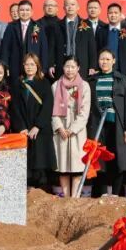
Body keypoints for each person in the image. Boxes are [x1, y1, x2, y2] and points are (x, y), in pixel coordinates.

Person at [87, 49, 126, 198]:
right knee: (100, 160)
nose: (104, 62)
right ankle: (102, 194)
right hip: (98, 126)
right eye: (102, 59)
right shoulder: (92, 80)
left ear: (113, 61)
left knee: (117, 159)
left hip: (116, 126)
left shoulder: (122, 79)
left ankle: (115, 194)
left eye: (108, 59)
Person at [10, 53, 56, 189]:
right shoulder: (17, 84)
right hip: (24, 129)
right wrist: (21, 127)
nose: (29, 67)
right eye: (27, 64)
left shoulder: (44, 83)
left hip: (40, 130)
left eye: (32, 64)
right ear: (23, 66)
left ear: (37, 66)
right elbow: (14, 108)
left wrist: (37, 126)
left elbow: (48, 106)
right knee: (26, 165)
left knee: (41, 164)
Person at [51, 57, 91, 197]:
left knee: (77, 167)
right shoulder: (55, 85)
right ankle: (66, 198)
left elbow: (85, 112)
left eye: (73, 67)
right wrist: (59, 127)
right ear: (63, 67)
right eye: (67, 66)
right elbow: (51, 110)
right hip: (61, 130)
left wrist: (73, 129)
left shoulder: (84, 86)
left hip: (77, 132)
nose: (70, 70)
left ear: (78, 68)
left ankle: (74, 198)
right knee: (62, 167)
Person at [0, 0, 51, 88]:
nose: (24, 12)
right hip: (14, 67)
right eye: (22, 10)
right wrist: (5, 66)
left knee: (32, 91)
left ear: (32, 12)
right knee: (15, 90)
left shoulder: (37, 27)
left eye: (27, 10)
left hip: (33, 67)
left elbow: (44, 49)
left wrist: (43, 69)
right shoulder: (11, 26)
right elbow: (5, 48)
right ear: (18, 11)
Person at [58, 0, 98, 78]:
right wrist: (51, 64)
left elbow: (92, 46)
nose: (70, 7)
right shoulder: (57, 25)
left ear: (78, 7)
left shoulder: (86, 24)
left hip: (82, 65)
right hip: (62, 64)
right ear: (63, 8)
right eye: (67, 5)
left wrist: (92, 66)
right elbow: (52, 47)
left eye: (73, 4)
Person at [97, 3, 126, 77]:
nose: (113, 15)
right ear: (107, 15)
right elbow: (97, 50)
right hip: (105, 69)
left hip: (124, 70)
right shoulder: (101, 31)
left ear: (120, 14)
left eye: (116, 13)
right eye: (110, 13)